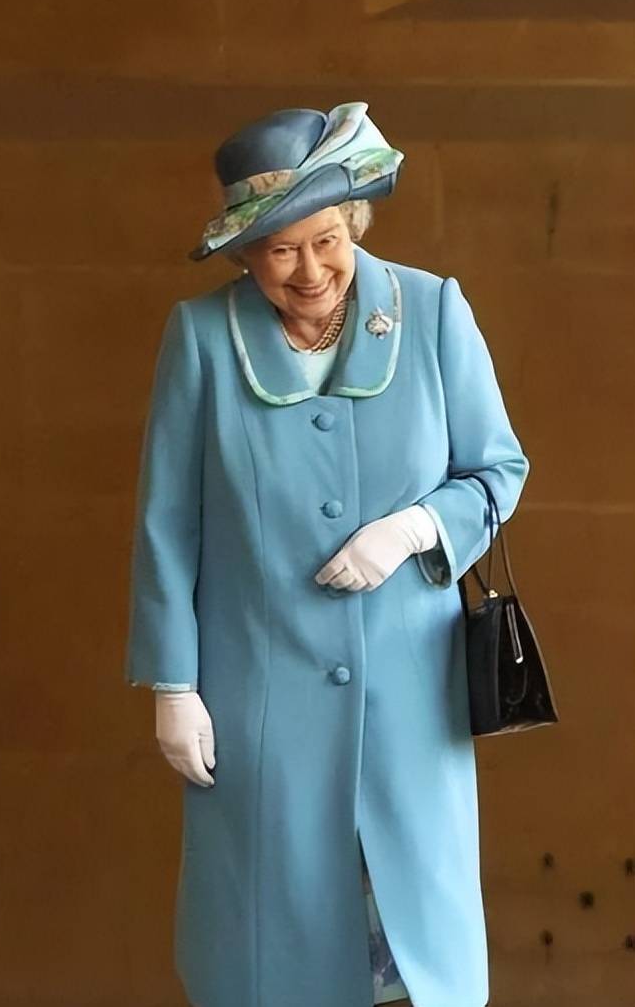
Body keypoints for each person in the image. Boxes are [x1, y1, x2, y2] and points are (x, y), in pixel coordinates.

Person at [127, 102, 527, 1007]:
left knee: (413, 950)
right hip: (257, 699)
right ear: (244, 255)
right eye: (278, 251)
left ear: (353, 222)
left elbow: (499, 470)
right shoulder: (201, 338)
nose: (308, 270)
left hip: (410, 698)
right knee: (274, 952)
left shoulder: (430, 311)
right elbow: (166, 521)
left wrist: (414, 530)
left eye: (324, 240)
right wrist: (173, 684)